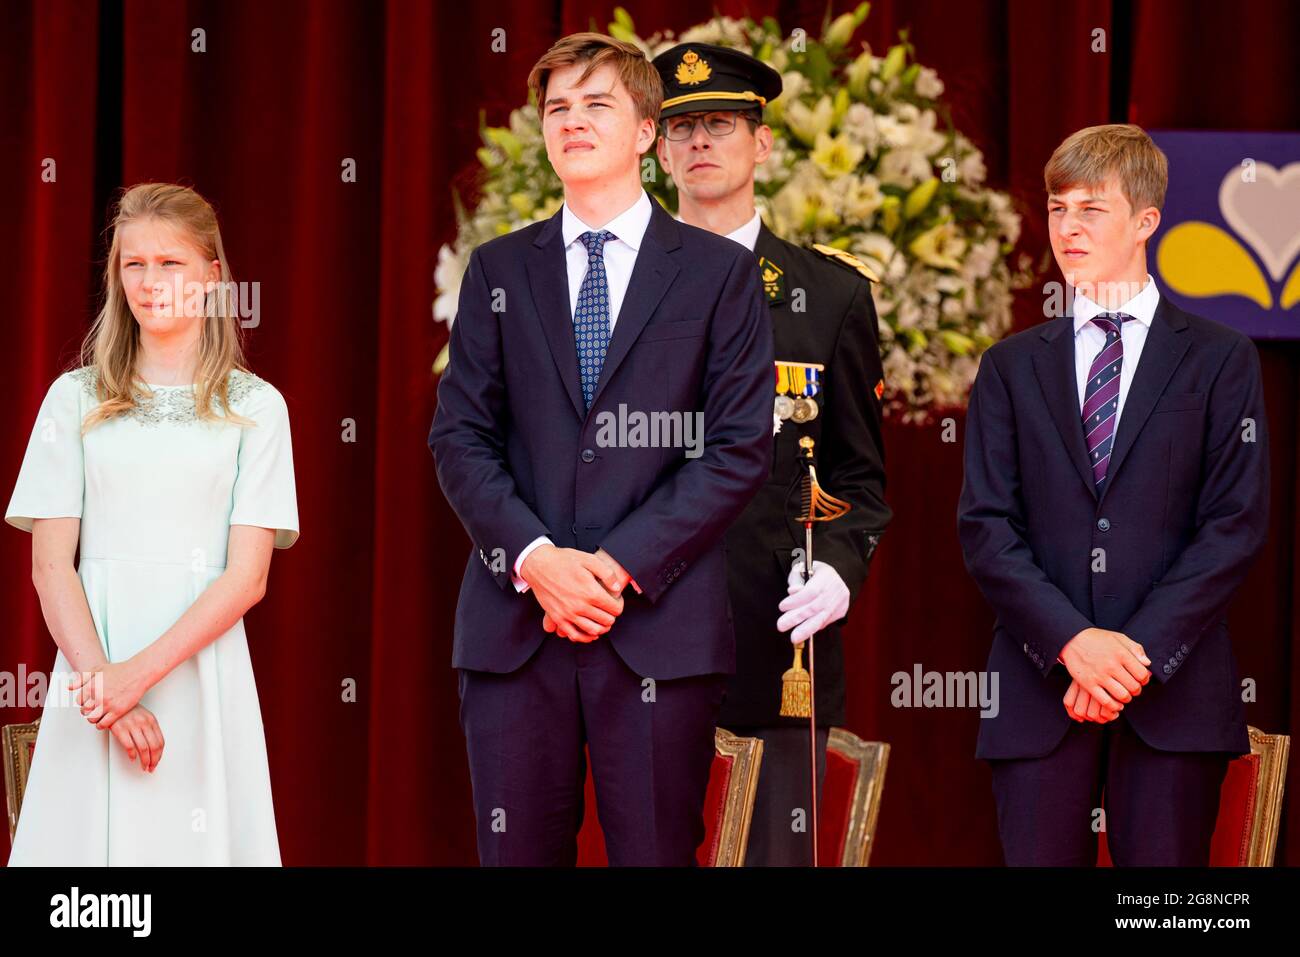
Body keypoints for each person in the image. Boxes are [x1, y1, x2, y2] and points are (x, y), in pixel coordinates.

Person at [428, 32, 773, 866]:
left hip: (656, 624)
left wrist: (613, 566)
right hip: (517, 624)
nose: (571, 121)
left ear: (648, 132)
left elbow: (734, 448)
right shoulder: (497, 269)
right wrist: (539, 559)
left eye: (596, 104)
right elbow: (460, 437)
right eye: (557, 108)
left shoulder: (719, 275)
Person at [958, 124, 1269, 866]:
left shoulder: (1223, 359)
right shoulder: (1008, 366)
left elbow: (1234, 526)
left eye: (1091, 209)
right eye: (1058, 208)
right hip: (1039, 694)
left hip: (1174, 692)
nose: (1068, 227)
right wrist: (1073, 644)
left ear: (1145, 221)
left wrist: (1129, 657)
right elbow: (987, 527)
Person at [5, 182, 300, 866]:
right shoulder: (72, 397)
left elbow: (247, 577)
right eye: (133, 263)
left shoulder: (258, 408)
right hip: (91, 683)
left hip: (201, 682)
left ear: (213, 276)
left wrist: (135, 677)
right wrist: (107, 686)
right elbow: (51, 566)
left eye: (171, 263)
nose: (150, 280)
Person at [651, 42, 891, 866]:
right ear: (655, 147)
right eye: (678, 128)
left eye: (719, 123)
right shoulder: (615, 283)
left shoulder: (829, 294)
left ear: (763, 143)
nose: (698, 144)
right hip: (636, 632)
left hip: (773, 633)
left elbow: (861, 478)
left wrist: (842, 569)